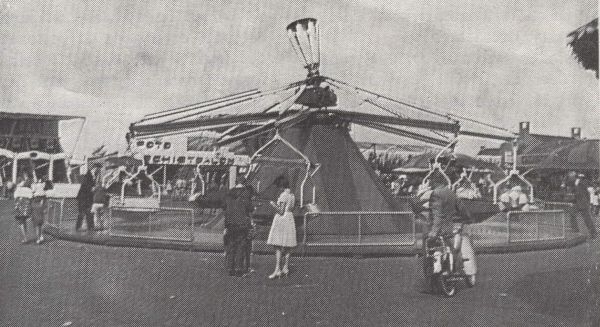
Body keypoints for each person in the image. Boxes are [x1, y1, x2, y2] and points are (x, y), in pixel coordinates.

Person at [223, 177, 254, 277]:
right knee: (241, 245)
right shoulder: (246, 193)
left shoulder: (229, 193)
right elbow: (249, 208)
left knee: (231, 245)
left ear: (236, 183)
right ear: (244, 183)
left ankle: (230, 268)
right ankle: (238, 268)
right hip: (242, 222)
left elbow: (225, 208)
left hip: (230, 222)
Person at [266, 179, 296, 279]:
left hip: (282, 220)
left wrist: (273, 204)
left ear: (281, 186)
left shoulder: (284, 195)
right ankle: (286, 267)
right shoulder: (292, 195)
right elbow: (291, 208)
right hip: (290, 219)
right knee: (288, 245)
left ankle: (277, 269)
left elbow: (281, 211)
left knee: (277, 245)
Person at [569, 174, 597, 239]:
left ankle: (593, 233)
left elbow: (578, 193)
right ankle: (576, 229)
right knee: (575, 214)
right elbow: (577, 194)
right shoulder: (581, 184)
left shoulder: (581, 184)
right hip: (581, 204)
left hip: (582, 204)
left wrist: (576, 185)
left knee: (587, 219)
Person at [76, 163, 100, 232]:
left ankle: (91, 227)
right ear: (95, 168)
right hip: (83, 197)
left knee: (90, 212)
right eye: (98, 170)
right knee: (82, 212)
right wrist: (92, 188)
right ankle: (78, 227)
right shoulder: (88, 175)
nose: (98, 171)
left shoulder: (93, 175)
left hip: (88, 197)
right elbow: (85, 185)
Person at [13, 174, 33, 243]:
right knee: (23, 222)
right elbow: (31, 197)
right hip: (26, 207)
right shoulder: (28, 189)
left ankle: (25, 238)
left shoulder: (17, 189)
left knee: (21, 223)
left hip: (20, 207)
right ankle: (25, 237)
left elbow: (15, 198)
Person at [30, 178, 49, 244]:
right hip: (42, 202)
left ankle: (38, 238)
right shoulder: (43, 185)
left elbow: (32, 192)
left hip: (36, 203)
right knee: (41, 222)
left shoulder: (34, 185)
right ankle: (40, 236)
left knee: (37, 223)